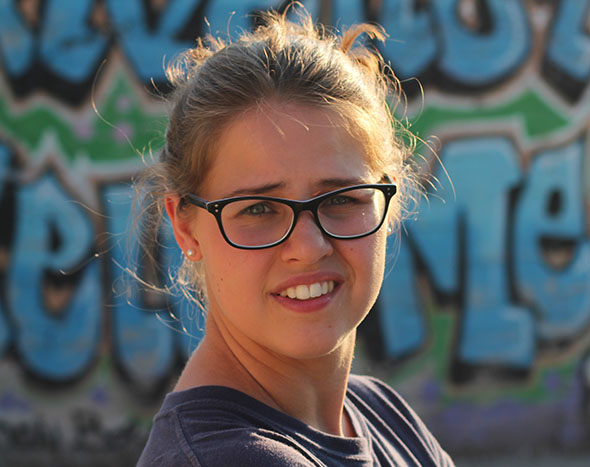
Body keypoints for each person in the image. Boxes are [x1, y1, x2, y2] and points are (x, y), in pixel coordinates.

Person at [136, 7, 454, 466]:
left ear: (388, 201)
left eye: (342, 199)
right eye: (258, 209)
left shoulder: (383, 414)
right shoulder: (229, 458)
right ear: (185, 226)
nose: (308, 247)